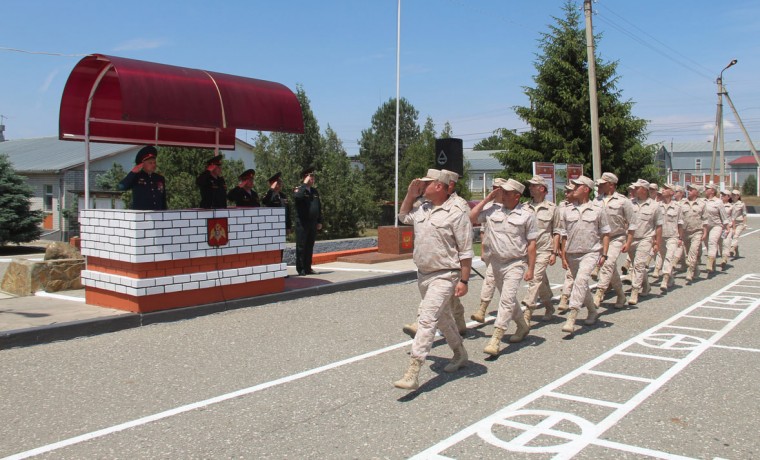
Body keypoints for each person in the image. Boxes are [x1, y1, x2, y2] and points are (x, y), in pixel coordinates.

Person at [393, 169, 472, 390]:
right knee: (444, 319)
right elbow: (402, 217)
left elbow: (465, 251)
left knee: (427, 320)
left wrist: (464, 281)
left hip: (445, 275)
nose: (422, 186)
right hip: (424, 274)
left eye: (426, 183)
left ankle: (413, 370)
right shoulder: (422, 208)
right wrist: (410, 195)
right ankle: (460, 353)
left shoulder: (456, 212)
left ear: (439, 186)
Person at [470, 178, 536, 355]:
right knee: (509, 300)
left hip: (515, 262)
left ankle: (496, 338)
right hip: (495, 262)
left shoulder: (527, 214)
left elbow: (531, 244)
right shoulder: (492, 210)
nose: (502, 194)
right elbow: (471, 218)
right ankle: (522, 326)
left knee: (506, 300)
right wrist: (487, 199)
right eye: (501, 191)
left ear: (517, 196)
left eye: (506, 192)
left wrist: (530, 269)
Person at [558, 176, 610, 333]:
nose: (573, 189)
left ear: (586, 189)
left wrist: (605, 254)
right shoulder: (567, 210)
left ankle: (572, 316)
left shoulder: (597, 209)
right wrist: (563, 253)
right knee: (582, 285)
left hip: (591, 252)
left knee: (580, 281)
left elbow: (606, 233)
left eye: (577, 186)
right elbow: (563, 234)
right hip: (572, 253)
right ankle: (593, 311)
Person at [592, 172, 636, 309]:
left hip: (616, 238)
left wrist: (628, 242)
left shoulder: (623, 201)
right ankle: (621, 295)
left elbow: (632, 223)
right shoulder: (596, 201)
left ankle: (599, 293)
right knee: (611, 269)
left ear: (611, 185)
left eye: (603, 183)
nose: (600, 185)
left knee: (607, 263)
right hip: (599, 239)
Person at [521, 175, 560, 323]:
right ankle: (549, 306)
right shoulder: (525, 207)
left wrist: (554, 252)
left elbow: (557, 231)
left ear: (542, 188)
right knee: (540, 281)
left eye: (533, 186)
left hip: (544, 250)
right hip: (528, 251)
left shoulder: (552, 208)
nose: (530, 188)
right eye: (530, 185)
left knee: (535, 279)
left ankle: (527, 313)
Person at [470, 178, 507, 324]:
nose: (494, 190)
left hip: (509, 254)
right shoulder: (490, 208)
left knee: (499, 283)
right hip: (492, 252)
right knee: (492, 279)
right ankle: (482, 309)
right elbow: (475, 220)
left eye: (497, 187)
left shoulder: (511, 206)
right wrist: (486, 200)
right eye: (493, 187)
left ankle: (486, 309)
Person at [627, 179, 663, 305]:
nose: (634, 190)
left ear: (644, 190)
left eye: (637, 188)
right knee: (637, 265)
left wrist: (657, 243)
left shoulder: (655, 206)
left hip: (646, 238)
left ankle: (634, 291)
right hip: (631, 239)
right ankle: (646, 285)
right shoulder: (630, 204)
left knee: (639, 265)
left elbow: (658, 226)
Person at [118, 145, 167, 210]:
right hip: (141, 216)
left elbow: (163, 199)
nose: (154, 165)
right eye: (150, 163)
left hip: (157, 216)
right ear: (142, 164)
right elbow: (121, 187)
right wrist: (133, 172)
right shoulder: (136, 176)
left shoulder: (160, 178)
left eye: (154, 162)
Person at [294, 167, 322, 276]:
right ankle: (301, 269)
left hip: (312, 223)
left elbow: (319, 207)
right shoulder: (299, 189)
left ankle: (308, 267)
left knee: (310, 246)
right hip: (302, 223)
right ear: (305, 177)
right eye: (310, 177)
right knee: (301, 246)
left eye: (313, 177)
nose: (313, 179)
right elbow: (297, 197)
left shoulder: (314, 191)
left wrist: (319, 221)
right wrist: (304, 185)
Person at [655, 184, 684, 293]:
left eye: (666, 189)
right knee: (663, 258)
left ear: (672, 192)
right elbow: (655, 223)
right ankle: (671, 278)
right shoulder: (657, 206)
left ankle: (665, 279)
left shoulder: (678, 207)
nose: (663, 190)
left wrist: (680, 237)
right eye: (662, 188)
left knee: (669, 258)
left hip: (673, 236)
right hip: (661, 237)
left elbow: (680, 223)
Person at [677, 184, 707, 283]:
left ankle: (689, 272)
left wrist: (705, 232)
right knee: (688, 253)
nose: (688, 191)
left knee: (693, 252)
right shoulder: (682, 203)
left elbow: (705, 219)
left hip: (697, 232)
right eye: (688, 189)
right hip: (685, 232)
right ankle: (696, 269)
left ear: (696, 192)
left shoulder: (702, 204)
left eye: (691, 190)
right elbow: (678, 219)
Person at [556, 182, 577, 313]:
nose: (565, 194)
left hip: (582, 246)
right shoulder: (562, 206)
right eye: (565, 191)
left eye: (569, 191)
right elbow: (559, 229)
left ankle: (565, 297)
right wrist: (558, 248)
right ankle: (567, 295)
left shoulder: (590, 207)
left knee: (572, 274)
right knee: (571, 273)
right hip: (566, 242)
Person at [702, 184, 728, 274]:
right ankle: (713, 263)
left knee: (712, 242)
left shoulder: (718, 202)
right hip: (705, 226)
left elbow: (724, 217)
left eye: (707, 189)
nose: (705, 190)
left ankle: (709, 262)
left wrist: (727, 228)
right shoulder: (702, 201)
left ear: (712, 191)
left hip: (716, 226)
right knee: (707, 245)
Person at [719, 189, 735, 270]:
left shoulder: (731, 207)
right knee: (720, 244)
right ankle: (722, 256)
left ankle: (724, 259)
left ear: (728, 197)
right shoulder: (718, 205)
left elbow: (733, 218)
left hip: (728, 228)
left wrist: (734, 229)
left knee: (726, 243)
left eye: (724, 195)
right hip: (719, 228)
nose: (722, 196)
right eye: (721, 195)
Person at [730, 189, 747, 257]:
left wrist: (744, 224)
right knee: (732, 237)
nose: (733, 196)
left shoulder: (742, 204)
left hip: (739, 223)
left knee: (735, 236)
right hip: (731, 223)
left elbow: (744, 214)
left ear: (738, 196)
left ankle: (731, 248)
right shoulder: (730, 204)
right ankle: (736, 252)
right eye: (732, 194)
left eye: (734, 195)